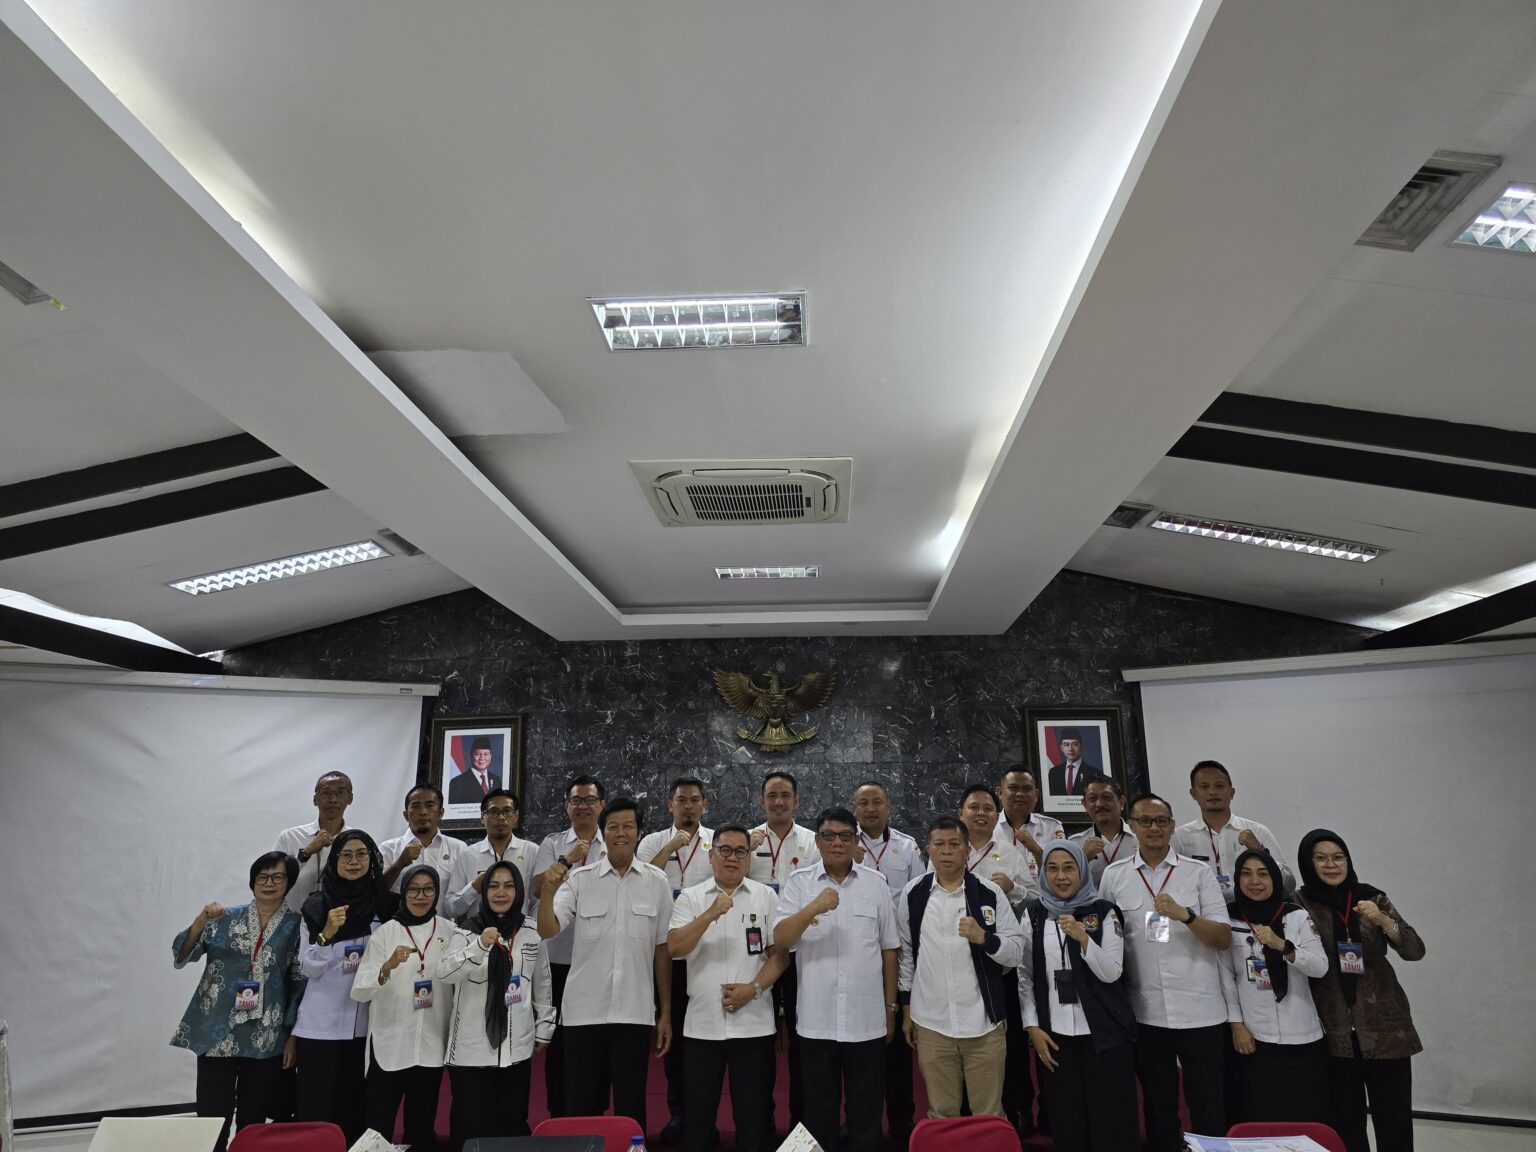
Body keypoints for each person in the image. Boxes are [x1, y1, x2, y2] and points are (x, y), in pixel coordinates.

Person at [1099, 793, 1231, 1152]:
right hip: (1146, 1011)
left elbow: (1222, 938)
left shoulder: (1198, 872)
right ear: (1132, 826)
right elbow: (1107, 941)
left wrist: (1185, 915)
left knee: (1207, 1105)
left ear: (1172, 826)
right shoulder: (1113, 877)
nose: (1154, 828)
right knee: (1158, 1106)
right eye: (1145, 821)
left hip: (1200, 1010)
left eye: (1161, 821)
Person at [539, 795, 675, 1132]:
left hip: (634, 1010)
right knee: (581, 1105)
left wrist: (665, 1011)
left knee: (631, 1105)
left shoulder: (657, 882)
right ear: (603, 832)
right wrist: (548, 891)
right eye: (613, 826)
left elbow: (662, 949)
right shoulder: (581, 880)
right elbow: (547, 928)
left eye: (628, 826)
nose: (620, 832)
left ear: (639, 832)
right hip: (584, 1012)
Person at [773, 807, 899, 1152]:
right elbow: (782, 940)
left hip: (866, 1019)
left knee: (866, 1113)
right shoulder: (799, 883)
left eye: (845, 836)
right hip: (816, 1021)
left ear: (856, 841)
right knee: (816, 1114)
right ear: (817, 841)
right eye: (829, 835)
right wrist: (813, 907)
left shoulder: (876, 884)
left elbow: (890, 949)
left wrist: (890, 1009)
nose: (837, 842)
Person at [1296, 830, 1426, 1152]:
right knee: (1346, 1125)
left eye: (1338, 857)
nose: (1331, 864)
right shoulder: (1299, 904)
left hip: (1386, 1030)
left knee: (1394, 1122)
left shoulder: (1372, 897)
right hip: (1335, 1034)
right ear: (1308, 864)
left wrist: (1383, 920)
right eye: (1321, 858)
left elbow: (1414, 950)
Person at [171, 852, 305, 1152]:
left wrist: (292, 1037)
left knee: (254, 1117)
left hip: (266, 1034)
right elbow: (183, 955)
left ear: (289, 882)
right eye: (262, 877)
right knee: (211, 1113)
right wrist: (200, 920)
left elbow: (298, 982)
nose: (268, 883)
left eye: (277, 877)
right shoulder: (224, 918)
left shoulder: (297, 926)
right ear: (252, 881)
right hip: (217, 1029)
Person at [668, 824, 788, 1152]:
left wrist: (754, 989)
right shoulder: (692, 897)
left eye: (740, 851)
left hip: (754, 1026)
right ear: (711, 855)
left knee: (754, 1121)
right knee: (698, 1122)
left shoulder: (766, 897)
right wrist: (710, 913)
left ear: (749, 859)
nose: (732, 858)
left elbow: (779, 956)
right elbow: (675, 947)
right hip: (702, 1027)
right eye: (725, 850)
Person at [897, 816, 1023, 1120]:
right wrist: (906, 1011)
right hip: (931, 1023)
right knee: (942, 1115)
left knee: (989, 1115)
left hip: (983, 1025)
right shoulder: (913, 893)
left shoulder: (989, 893)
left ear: (967, 850)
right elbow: (907, 955)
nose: (947, 851)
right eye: (939, 844)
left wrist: (985, 938)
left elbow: (1016, 952)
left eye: (955, 844)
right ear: (929, 851)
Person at [1019, 840, 1137, 1152]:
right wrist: (1033, 1027)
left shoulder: (1104, 912)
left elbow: (1111, 972)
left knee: (1110, 1123)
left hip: (1104, 1035)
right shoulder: (1033, 914)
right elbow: (1025, 975)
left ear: (1082, 871)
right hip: (1055, 1036)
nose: (1061, 876)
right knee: (1067, 1122)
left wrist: (1083, 938)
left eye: (1069, 867)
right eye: (1053, 869)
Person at [352, 864, 470, 1151]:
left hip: (430, 1046)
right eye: (414, 889)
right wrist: (387, 967)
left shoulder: (450, 931)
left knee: (421, 1127)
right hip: (390, 1045)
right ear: (403, 893)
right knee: (378, 1127)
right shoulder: (385, 934)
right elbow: (360, 990)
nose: (421, 895)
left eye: (428, 889)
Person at [293, 830, 396, 1145]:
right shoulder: (316, 906)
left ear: (373, 860)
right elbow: (307, 967)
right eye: (346, 855)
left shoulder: (386, 905)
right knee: (315, 1109)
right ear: (334, 860)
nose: (354, 861)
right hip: (319, 1027)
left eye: (361, 854)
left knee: (354, 1109)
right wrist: (326, 933)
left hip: (365, 1028)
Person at [443, 861, 554, 1148]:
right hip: (471, 1050)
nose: (500, 892)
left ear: (518, 891)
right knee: (470, 1127)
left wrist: (545, 1027)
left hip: (516, 1047)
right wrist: (479, 946)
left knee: (511, 1126)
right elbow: (445, 973)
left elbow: (541, 982)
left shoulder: (531, 931)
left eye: (508, 886)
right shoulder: (465, 932)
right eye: (493, 886)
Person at [1219, 849, 1330, 1126]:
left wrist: (1283, 946)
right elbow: (1226, 977)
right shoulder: (1228, 920)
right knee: (1259, 1116)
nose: (1254, 881)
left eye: (1263, 873)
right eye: (1246, 874)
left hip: (1302, 1034)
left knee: (1304, 1115)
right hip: (1255, 1038)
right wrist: (1236, 1025)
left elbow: (1320, 966)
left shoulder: (1296, 916)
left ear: (1275, 879)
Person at [637, 776, 715, 1144]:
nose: (688, 806)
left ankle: (705, 1117)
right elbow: (641, 879)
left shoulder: (716, 843)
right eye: (681, 800)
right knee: (672, 1037)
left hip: (704, 952)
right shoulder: (653, 841)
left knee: (704, 1041)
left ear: (705, 805)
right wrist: (671, 845)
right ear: (670, 805)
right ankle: (678, 1113)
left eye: (694, 800)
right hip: (664, 953)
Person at [850, 780, 923, 1145]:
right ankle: (861, 1122)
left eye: (876, 802)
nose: (870, 809)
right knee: (860, 1042)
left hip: (899, 951)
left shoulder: (907, 847)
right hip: (859, 952)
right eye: (863, 803)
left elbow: (920, 899)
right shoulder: (843, 845)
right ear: (854, 808)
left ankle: (901, 1120)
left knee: (896, 1046)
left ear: (888, 805)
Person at [531, 773, 607, 1117]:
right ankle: (559, 1112)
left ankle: (596, 1110)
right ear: (567, 807)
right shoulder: (552, 843)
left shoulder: (616, 842)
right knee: (560, 1041)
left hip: (600, 957)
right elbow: (535, 889)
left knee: (597, 1040)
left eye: (590, 800)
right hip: (560, 956)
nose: (583, 807)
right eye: (576, 800)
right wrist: (568, 859)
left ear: (601, 806)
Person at [747, 770, 819, 1133]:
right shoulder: (745, 841)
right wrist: (747, 851)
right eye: (772, 795)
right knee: (759, 1040)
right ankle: (760, 1123)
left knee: (801, 1039)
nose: (778, 801)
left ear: (796, 800)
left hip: (800, 952)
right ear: (762, 801)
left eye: (785, 795)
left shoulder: (813, 841)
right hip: (756, 954)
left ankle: (801, 1122)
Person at [994, 767, 1061, 1136]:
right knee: (1014, 1037)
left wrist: (1036, 850)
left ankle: (1053, 1110)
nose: (1019, 794)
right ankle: (1018, 1108)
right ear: (999, 792)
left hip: (1046, 935)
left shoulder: (1051, 829)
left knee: (1050, 1024)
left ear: (1036, 793)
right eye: (1012, 788)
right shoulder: (987, 828)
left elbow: (1060, 881)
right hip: (1003, 944)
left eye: (1026, 788)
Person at [1173, 761, 1295, 900]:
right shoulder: (1180, 837)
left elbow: (1289, 884)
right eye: (1204, 787)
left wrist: (1259, 850)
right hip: (1203, 919)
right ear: (1193, 793)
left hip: (1252, 917)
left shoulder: (1258, 831)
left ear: (1232, 792)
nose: (1212, 792)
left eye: (1219, 786)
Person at [445, 788, 538, 921]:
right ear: (482, 817)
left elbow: (538, 902)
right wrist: (473, 888)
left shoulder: (531, 851)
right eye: (494, 811)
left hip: (518, 936)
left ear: (516, 816)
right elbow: (450, 909)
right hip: (477, 936)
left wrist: (530, 933)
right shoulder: (467, 855)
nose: (501, 817)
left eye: (507, 811)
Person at [274, 771, 353, 911]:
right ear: (315, 799)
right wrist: (307, 851)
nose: (333, 799)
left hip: (338, 922)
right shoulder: (289, 837)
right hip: (293, 920)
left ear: (350, 798)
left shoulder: (356, 840)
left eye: (340, 792)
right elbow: (273, 877)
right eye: (326, 792)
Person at [380, 783, 476, 897]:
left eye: (430, 805)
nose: (423, 812)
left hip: (445, 915)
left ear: (441, 813)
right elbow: (377, 892)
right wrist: (399, 864)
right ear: (406, 815)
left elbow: (467, 894)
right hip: (397, 915)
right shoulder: (388, 848)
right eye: (416, 806)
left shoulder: (459, 848)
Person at [955, 784, 1036, 910]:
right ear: (961, 814)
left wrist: (1012, 888)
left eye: (988, 809)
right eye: (974, 807)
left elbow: (1035, 900)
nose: (981, 813)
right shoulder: (945, 850)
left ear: (997, 817)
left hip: (998, 928)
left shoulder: (1011, 853)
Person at [1069, 776, 1135, 882]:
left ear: (1121, 802)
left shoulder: (1140, 838)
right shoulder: (1075, 844)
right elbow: (1066, 882)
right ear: (1085, 805)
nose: (1099, 804)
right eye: (1092, 799)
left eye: (1107, 797)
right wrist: (1083, 857)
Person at [447, 735, 502, 805]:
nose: (482, 758)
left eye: (486, 754)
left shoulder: (497, 780)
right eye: (478, 754)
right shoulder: (457, 783)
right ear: (471, 755)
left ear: (491, 756)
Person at [1046, 729, 1098, 797]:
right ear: (1061, 748)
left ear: (1081, 746)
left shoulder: (1094, 773)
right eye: (1066, 745)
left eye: (1075, 744)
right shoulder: (1053, 772)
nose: (1070, 749)